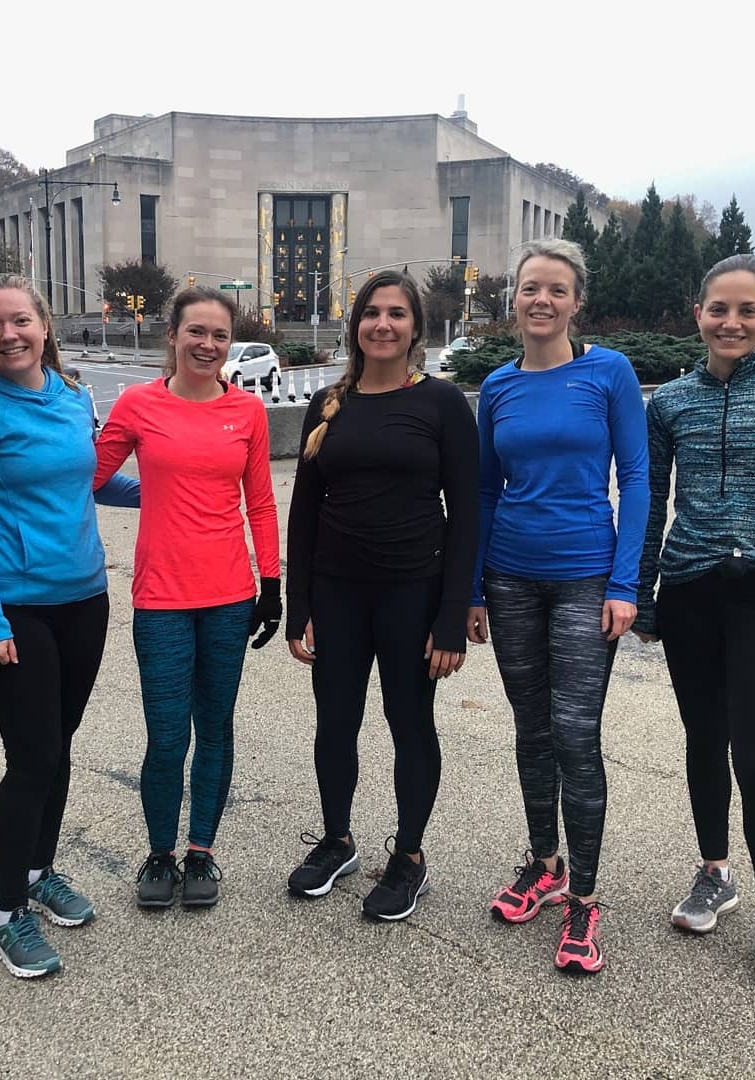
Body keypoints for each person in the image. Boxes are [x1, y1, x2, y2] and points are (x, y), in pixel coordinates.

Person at [0, 274, 139, 978]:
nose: (9, 335)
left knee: (58, 749)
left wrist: (171, 487)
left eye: (20, 321)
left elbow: (90, 479)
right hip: (13, 610)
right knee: (31, 759)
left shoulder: (71, 396)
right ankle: (6, 915)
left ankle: (38, 870)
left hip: (84, 600)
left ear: (44, 324)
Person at [466, 238, 648, 973]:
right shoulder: (498, 387)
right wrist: (474, 588)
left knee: (575, 735)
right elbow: (484, 491)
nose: (541, 300)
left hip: (584, 577)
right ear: (513, 298)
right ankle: (546, 864)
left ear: (576, 302)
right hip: (510, 576)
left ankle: (585, 897)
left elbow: (636, 479)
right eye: (530, 288)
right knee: (531, 731)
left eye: (557, 290)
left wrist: (625, 584)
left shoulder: (609, 372)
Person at [634, 255, 755, 992]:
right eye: (718, 309)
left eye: (746, 310)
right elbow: (649, 501)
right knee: (704, 741)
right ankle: (715, 872)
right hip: (689, 592)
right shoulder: (671, 402)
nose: (731, 322)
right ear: (697, 314)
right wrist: (643, 594)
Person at [285, 270, 479, 922]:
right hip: (337, 594)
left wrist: (450, 618)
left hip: (412, 594)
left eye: (397, 313)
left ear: (415, 327)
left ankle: (410, 857)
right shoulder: (327, 404)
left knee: (409, 723)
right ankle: (337, 841)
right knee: (335, 722)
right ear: (356, 325)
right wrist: (299, 608)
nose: (383, 324)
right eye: (372, 312)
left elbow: (467, 515)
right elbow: (304, 513)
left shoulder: (442, 403)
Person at [93, 285, 281, 908]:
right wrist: (148, 495)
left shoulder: (246, 411)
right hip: (162, 599)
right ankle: (159, 853)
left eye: (220, 334)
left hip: (229, 597)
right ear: (172, 336)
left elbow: (260, 502)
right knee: (167, 735)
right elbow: (90, 478)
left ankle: (201, 851)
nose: (207, 344)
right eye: (196, 331)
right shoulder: (138, 404)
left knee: (216, 729)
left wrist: (272, 584)